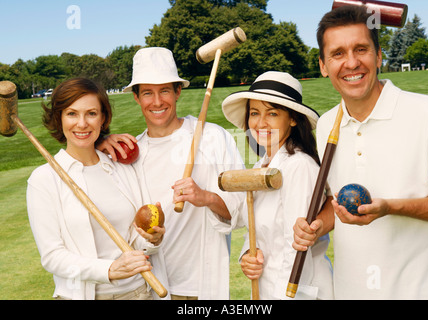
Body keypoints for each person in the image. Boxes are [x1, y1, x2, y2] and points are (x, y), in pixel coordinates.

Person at [292, 5, 428, 299]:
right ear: (323, 66)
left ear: (378, 56)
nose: (351, 63)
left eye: (361, 49)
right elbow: (335, 203)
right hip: (352, 292)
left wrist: (391, 208)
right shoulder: (327, 124)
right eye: (337, 53)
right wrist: (316, 226)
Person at [98, 47, 245, 300]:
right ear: (136, 97)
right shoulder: (131, 154)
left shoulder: (213, 138)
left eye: (165, 90)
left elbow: (242, 211)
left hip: (204, 287)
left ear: (178, 92)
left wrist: (206, 198)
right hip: (153, 288)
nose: (157, 102)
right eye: (147, 93)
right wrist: (97, 144)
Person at [26, 78, 167, 300]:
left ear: (103, 118)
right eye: (72, 113)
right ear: (59, 118)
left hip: (140, 292)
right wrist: (108, 270)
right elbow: (52, 257)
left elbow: (135, 241)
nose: (82, 123)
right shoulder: (44, 179)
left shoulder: (120, 168)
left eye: (91, 113)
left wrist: (151, 240)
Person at [221, 71, 334, 300]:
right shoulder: (263, 165)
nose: (260, 123)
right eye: (254, 113)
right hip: (268, 290)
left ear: (292, 118)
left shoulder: (299, 166)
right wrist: (248, 257)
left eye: (272, 113)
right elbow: (254, 229)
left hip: (296, 293)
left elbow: (296, 249)